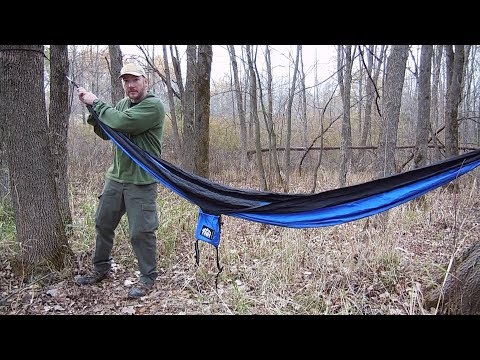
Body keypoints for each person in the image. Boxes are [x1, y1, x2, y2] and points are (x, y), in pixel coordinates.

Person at [74, 62, 165, 299]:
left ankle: (147, 278)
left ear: (146, 81)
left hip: (141, 181)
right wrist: (92, 110)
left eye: (135, 80)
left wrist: (97, 103)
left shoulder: (153, 106)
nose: (130, 85)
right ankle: (101, 268)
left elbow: (123, 123)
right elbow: (107, 131)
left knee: (141, 232)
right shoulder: (123, 104)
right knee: (103, 223)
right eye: (126, 81)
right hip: (116, 178)